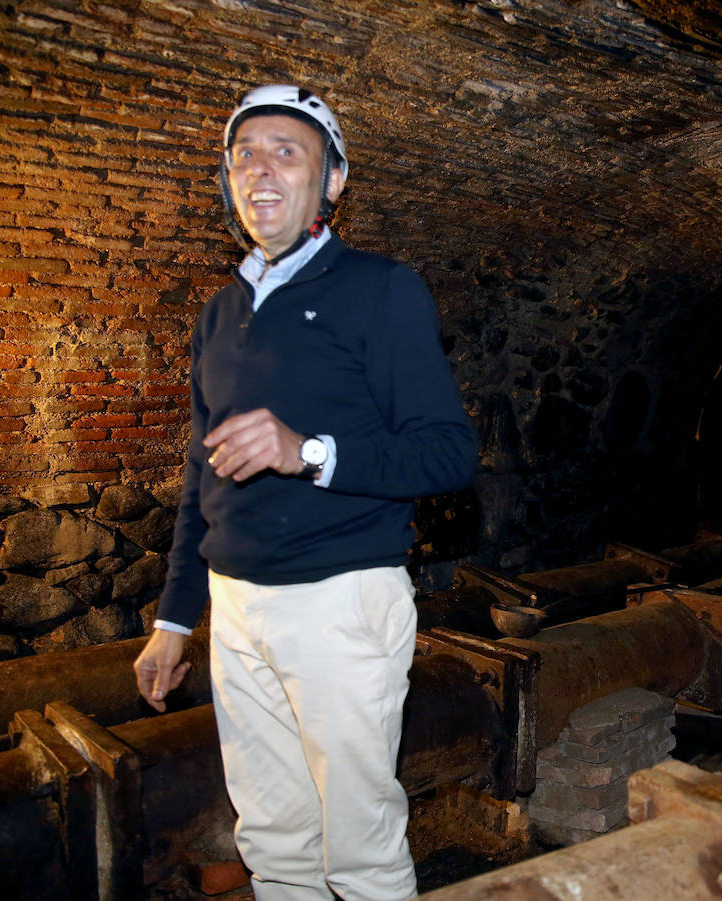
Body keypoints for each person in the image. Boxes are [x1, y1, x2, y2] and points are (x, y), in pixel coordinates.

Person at [133, 84, 476, 901]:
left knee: (358, 847)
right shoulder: (219, 314)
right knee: (273, 839)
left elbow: (448, 452)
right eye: (244, 155)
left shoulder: (381, 289)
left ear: (331, 181)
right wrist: (174, 620)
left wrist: (308, 452)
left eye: (287, 153)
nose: (261, 169)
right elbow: (202, 477)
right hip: (235, 606)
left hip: (339, 601)